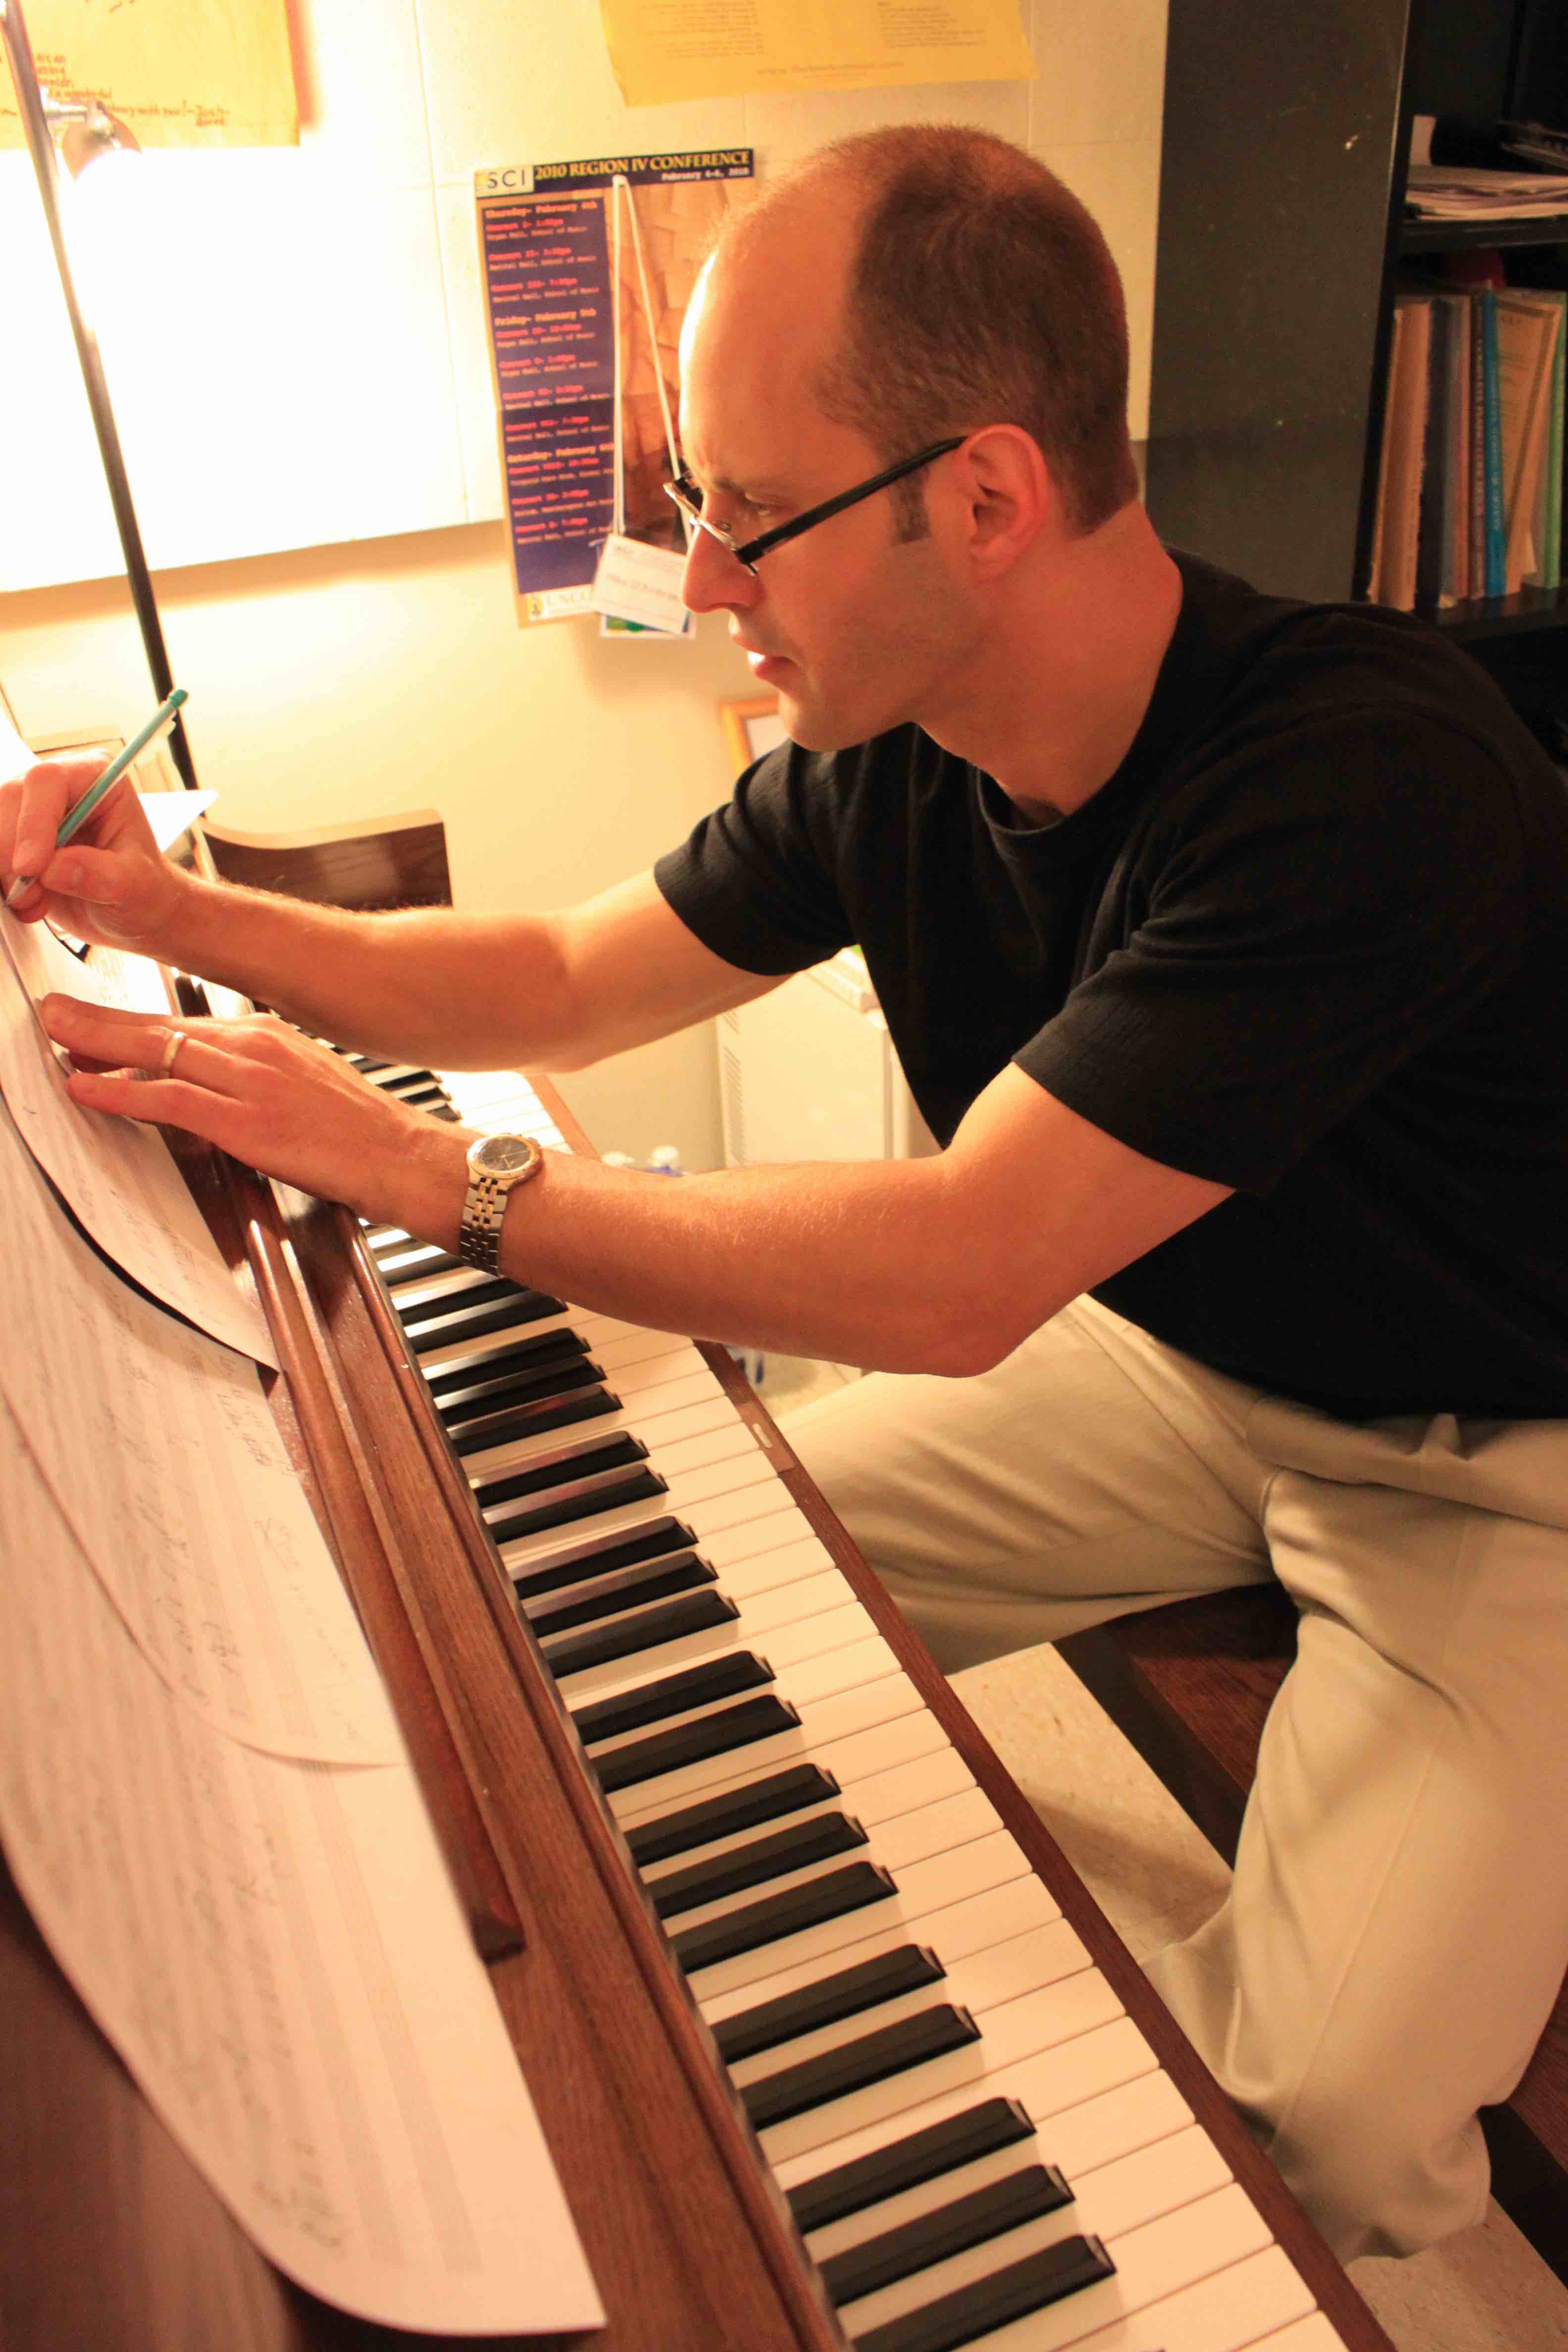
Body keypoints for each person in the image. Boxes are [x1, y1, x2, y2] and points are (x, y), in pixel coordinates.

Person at [4, 124, 1567, 2268]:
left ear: (986, 499)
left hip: (1497, 1451)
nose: (705, 577)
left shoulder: (1363, 780)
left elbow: (957, 1277)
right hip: (1186, 1353)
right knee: (655, 1617)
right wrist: (172, 909)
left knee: (1344, 2128)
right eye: (692, 504)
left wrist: (437, 1173)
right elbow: (562, 973)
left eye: (746, 513)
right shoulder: (888, 748)